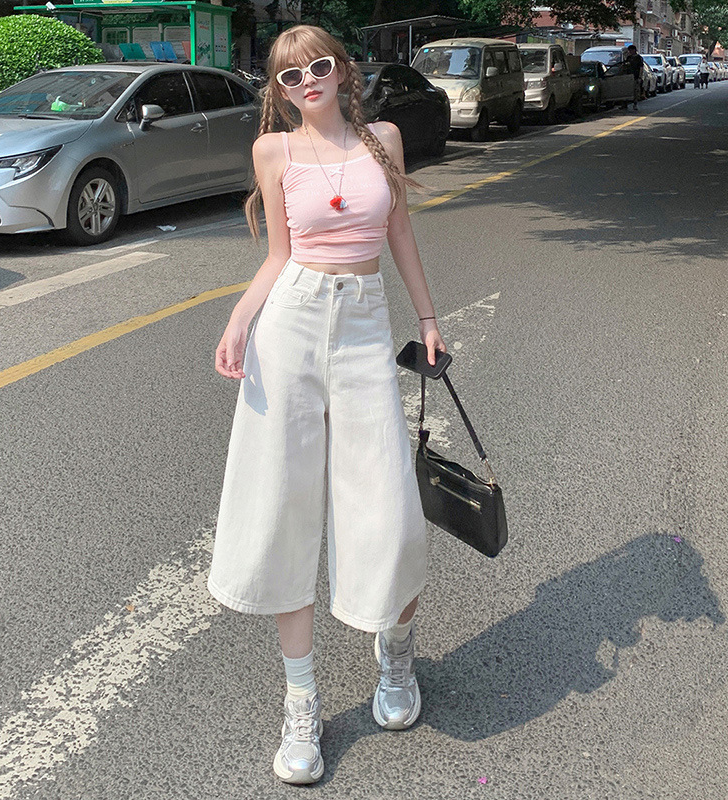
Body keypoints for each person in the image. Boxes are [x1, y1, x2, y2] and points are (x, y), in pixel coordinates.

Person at [208, 24, 447, 785]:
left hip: (365, 322)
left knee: (390, 506)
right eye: (288, 75)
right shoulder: (273, 152)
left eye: (316, 67)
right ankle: (301, 702)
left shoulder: (383, 140)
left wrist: (429, 318)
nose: (305, 81)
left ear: (342, 71)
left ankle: (395, 655)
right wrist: (239, 321)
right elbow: (278, 256)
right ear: (278, 91)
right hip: (293, 321)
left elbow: (399, 231)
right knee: (283, 504)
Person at [625, 45, 644, 110]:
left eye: (631, 50)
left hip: (635, 76)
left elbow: (641, 68)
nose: (630, 52)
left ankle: (635, 104)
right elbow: (625, 65)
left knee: (635, 91)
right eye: (629, 50)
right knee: (627, 90)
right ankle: (625, 104)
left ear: (634, 50)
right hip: (628, 76)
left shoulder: (639, 58)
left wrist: (640, 77)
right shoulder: (629, 57)